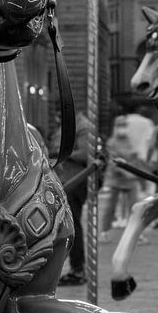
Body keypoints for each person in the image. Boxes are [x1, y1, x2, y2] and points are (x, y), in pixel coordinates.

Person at [45, 110, 98, 286]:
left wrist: (58, 154)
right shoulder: (68, 126)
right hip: (63, 179)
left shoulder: (83, 127)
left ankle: (78, 269)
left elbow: (85, 153)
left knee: (72, 224)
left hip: (75, 180)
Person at [99, 110, 155, 242]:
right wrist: (128, 172)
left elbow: (134, 158)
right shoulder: (112, 142)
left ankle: (137, 234)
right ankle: (103, 232)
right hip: (116, 178)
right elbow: (113, 162)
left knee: (135, 207)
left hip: (130, 179)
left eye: (124, 124)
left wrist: (137, 173)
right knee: (110, 207)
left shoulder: (129, 140)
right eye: (120, 124)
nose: (122, 127)